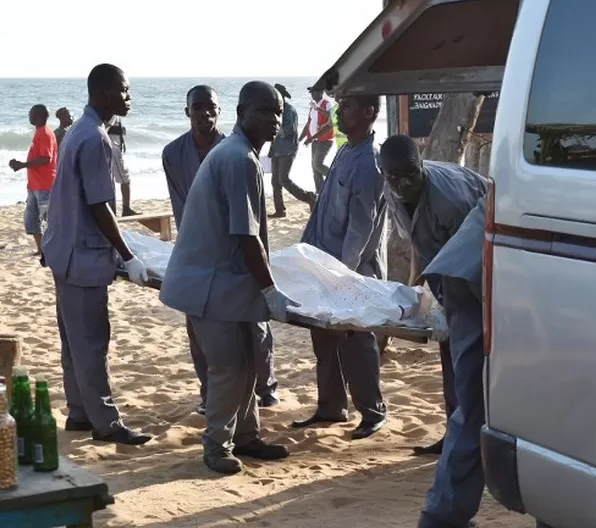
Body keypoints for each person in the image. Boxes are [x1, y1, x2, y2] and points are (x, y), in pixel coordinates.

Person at [159, 81, 296, 475]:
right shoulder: (239, 159)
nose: (273, 120)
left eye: (279, 113)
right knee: (229, 366)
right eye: (264, 111)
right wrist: (271, 291)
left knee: (249, 361)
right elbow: (246, 235)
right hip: (209, 285)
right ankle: (217, 445)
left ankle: (248, 436)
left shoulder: (238, 153)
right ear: (241, 113)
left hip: (225, 282)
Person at [41, 63, 152, 446]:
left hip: (63, 252)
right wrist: (128, 255)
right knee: (91, 342)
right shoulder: (96, 139)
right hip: (81, 258)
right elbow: (100, 206)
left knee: (73, 340)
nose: (128, 97)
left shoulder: (80, 131)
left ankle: (79, 412)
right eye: (123, 90)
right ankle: (106, 422)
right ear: (103, 92)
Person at [379, 134, 488, 456]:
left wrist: (459, 306)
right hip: (448, 267)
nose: (403, 184)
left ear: (421, 165)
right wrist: (419, 292)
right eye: (394, 177)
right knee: (450, 357)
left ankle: (473, 441)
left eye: (411, 173)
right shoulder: (390, 187)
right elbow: (420, 242)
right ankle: (454, 436)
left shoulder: (451, 202)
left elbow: (477, 258)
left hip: (479, 266)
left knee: (469, 357)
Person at [292, 95, 388, 440]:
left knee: (355, 339)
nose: (339, 111)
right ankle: (331, 407)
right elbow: (324, 209)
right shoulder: (347, 150)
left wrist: (341, 275)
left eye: (347, 106)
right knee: (324, 337)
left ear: (369, 112)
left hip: (349, 268)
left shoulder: (369, 162)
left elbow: (361, 227)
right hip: (323, 260)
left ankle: (372, 411)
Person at [414, 196, 487, 528]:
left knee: (474, 402)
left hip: (463, 265)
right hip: (480, 269)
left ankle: (444, 515)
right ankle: (443, 516)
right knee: (477, 404)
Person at [9, 104, 58, 256]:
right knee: (32, 218)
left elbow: (46, 158)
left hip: (44, 184)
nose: (29, 116)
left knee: (46, 219)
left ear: (39, 116)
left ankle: (51, 249)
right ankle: (41, 248)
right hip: (34, 184)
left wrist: (23, 164)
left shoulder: (44, 133)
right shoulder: (39, 132)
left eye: (31, 113)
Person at [268, 83, 316, 217]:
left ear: (282, 97)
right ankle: (280, 210)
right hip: (276, 149)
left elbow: (290, 130)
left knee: (284, 179)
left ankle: (309, 197)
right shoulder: (275, 111)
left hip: (288, 149)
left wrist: (276, 128)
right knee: (275, 181)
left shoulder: (290, 111)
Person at [299, 88, 335, 193]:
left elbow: (330, 117)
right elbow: (308, 124)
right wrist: (300, 139)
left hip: (325, 140)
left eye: (313, 92)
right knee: (315, 169)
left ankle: (335, 178)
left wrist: (317, 108)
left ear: (321, 93)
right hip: (314, 141)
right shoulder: (312, 108)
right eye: (311, 92)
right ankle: (320, 193)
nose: (312, 94)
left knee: (318, 164)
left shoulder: (326, 103)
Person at [107, 116, 139, 216]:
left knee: (114, 179)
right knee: (125, 179)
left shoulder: (114, 113)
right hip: (114, 148)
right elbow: (105, 127)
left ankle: (119, 209)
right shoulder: (112, 114)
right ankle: (126, 209)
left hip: (115, 147)